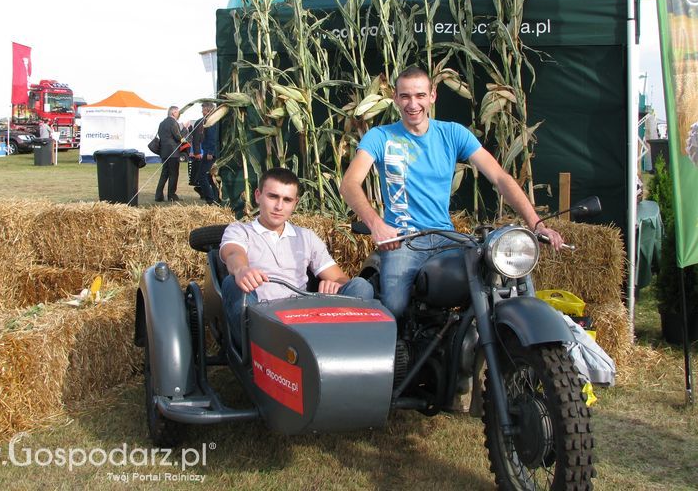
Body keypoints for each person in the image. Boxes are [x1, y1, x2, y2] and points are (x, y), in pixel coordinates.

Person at [340, 65, 564, 318]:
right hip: (403, 241)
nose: (413, 104)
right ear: (395, 98)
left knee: (499, 273)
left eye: (420, 95)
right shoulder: (380, 137)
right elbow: (349, 184)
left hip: (448, 237)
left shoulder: (453, 133)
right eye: (405, 96)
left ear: (433, 95)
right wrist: (376, 224)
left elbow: (500, 177)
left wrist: (536, 224)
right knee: (395, 308)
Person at [220, 167, 374, 341]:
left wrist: (335, 286)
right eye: (273, 197)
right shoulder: (240, 230)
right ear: (258, 196)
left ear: (295, 203)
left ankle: (345, 348)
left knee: (361, 286)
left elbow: (342, 280)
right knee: (233, 284)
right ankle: (257, 354)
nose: (279, 206)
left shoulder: (306, 236)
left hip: (302, 318)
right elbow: (233, 253)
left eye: (287, 200)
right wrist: (241, 270)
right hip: (260, 317)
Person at [154, 105, 183, 202]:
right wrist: (185, 129)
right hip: (173, 152)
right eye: (177, 112)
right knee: (173, 174)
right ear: (173, 112)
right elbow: (178, 137)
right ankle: (171, 195)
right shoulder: (173, 122)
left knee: (164, 174)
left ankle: (158, 195)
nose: (178, 114)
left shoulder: (162, 123)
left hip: (164, 152)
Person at [191, 101, 219, 205]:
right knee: (209, 176)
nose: (202, 111)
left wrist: (210, 152)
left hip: (209, 152)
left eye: (203, 109)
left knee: (202, 176)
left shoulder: (211, 121)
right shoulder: (212, 120)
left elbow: (212, 138)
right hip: (208, 151)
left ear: (207, 110)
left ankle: (210, 198)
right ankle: (215, 196)